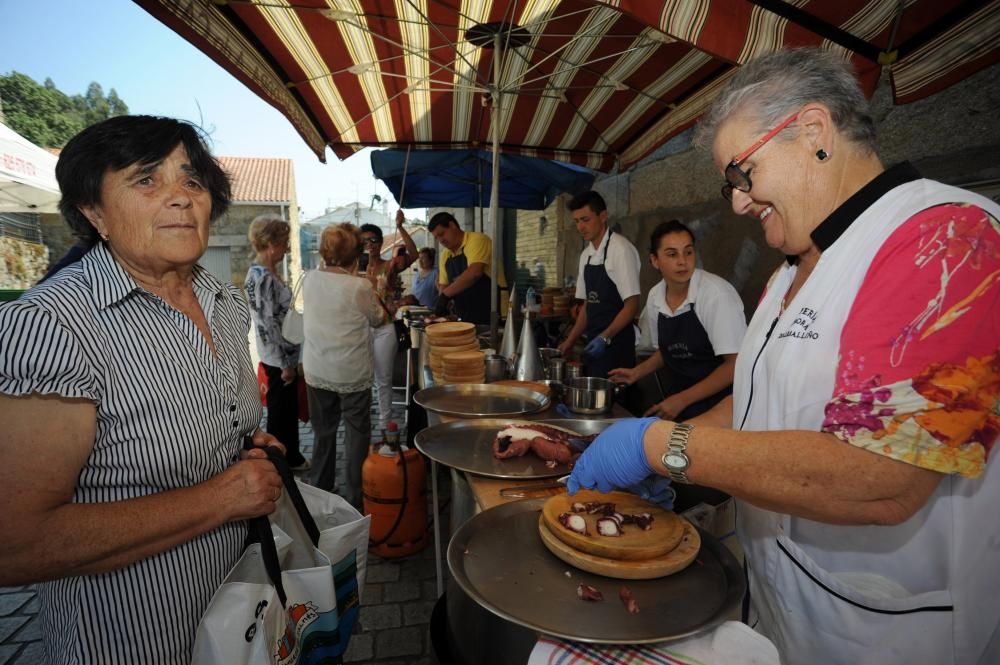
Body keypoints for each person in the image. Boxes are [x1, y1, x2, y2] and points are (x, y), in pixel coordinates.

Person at [568, 48, 1000, 664]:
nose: (738, 203)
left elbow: (885, 478)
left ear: (815, 132)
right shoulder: (788, 273)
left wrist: (660, 447)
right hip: (783, 608)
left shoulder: (945, 242)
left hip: (888, 632)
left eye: (743, 174)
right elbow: (751, 407)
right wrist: (668, 444)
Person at [0, 115, 284, 664]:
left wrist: (251, 449)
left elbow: (227, 420)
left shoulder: (222, 301)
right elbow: (15, 542)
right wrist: (222, 498)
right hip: (133, 641)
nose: (181, 198)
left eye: (193, 182)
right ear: (93, 211)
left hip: (241, 618)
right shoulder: (53, 324)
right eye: (146, 180)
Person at [609, 220, 746, 420]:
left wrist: (682, 399)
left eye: (688, 252)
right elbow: (668, 350)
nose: (683, 261)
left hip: (723, 405)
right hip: (682, 398)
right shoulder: (656, 297)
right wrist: (637, 372)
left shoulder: (715, 295)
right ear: (655, 260)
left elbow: (735, 365)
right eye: (672, 254)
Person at [303, 222, 387, 508]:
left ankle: (321, 493)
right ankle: (355, 498)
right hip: (351, 371)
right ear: (355, 253)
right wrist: (375, 288)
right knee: (356, 435)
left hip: (317, 369)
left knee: (323, 433)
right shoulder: (359, 286)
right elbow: (379, 319)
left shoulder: (309, 278)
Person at [245, 214, 309, 471]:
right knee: (280, 414)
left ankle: (290, 457)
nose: (287, 249)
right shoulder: (263, 278)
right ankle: (281, 462)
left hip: (281, 356)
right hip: (278, 359)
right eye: (284, 242)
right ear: (271, 243)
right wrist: (285, 364)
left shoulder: (263, 273)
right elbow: (266, 325)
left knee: (285, 411)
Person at [557, 191, 642, 378]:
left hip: (617, 345)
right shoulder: (585, 255)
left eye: (585, 219)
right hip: (594, 343)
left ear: (603, 216)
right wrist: (570, 341)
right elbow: (589, 304)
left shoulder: (621, 250)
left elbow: (632, 304)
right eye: (577, 221)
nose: (580, 227)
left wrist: (605, 337)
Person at [359, 211, 417, 431]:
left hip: (384, 328)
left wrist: (401, 227)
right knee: (362, 379)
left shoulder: (389, 266)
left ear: (381, 242)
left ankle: (385, 425)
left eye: (374, 240)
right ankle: (362, 422)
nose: (369, 244)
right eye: (364, 240)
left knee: (384, 378)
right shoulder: (353, 268)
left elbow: (414, 253)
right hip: (360, 329)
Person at [429, 211, 506, 325]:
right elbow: (444, 286)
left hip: (492, 316)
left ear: (452, 225)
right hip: (464, 318)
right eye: (436, 238)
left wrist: (445, 296)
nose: (440, 240)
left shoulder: (477, 240)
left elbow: (475, 273)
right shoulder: (445, 255)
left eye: (442, 234)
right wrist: (443, 305)